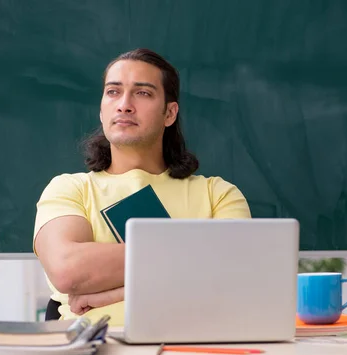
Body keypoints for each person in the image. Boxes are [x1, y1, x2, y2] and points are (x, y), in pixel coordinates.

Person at [33, 48, 251, 325]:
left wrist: (106, 294)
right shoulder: (69, 189)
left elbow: (234, 279)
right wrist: (195, 253)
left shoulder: (218, 194)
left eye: (143, 93)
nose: (124, 104)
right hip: (93, 354)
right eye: (113, 92)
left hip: (193, 350)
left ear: (169, 113)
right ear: (101, 110)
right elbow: (68, 270)